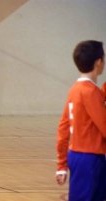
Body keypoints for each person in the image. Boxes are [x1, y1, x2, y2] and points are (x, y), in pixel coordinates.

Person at [55, 40, 106, 200]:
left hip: (83, 157)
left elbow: (63, 128)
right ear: (98, 62)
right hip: (89, 159)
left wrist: (62, 165)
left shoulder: (76, 89)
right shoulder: (90, 92)